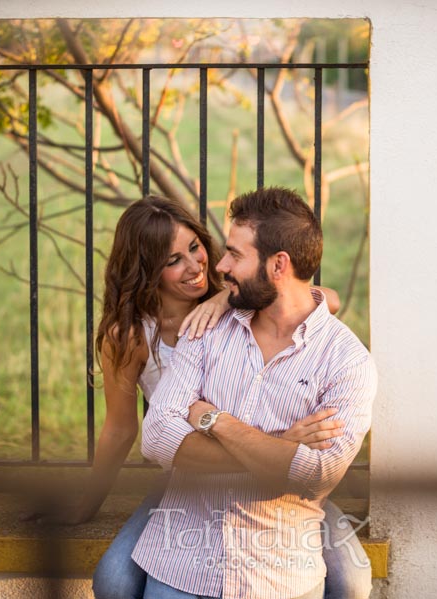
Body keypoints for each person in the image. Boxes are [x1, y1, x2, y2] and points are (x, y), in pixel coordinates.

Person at [27, 196, 370, 598]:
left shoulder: (238, 298)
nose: (195, 267)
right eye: (172, 261)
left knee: (351, 580)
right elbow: (122, 430)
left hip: (274, 482)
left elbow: (316, 298)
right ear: (146, 271)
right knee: (114, 581)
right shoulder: (130, 336)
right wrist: (86, 505)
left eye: (195, 248)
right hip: (191, 471)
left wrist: (223, 297)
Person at [130, 188, 377, 599]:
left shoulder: (347, 361)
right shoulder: (206, 328)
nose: (221, 266)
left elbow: (316, 477)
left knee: (353, 581)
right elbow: (156, 436)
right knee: (114, 579)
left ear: (278, 264)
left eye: (235, 255)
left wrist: (213, 419)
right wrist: (280, 450)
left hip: (280, 575)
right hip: (181, 566)